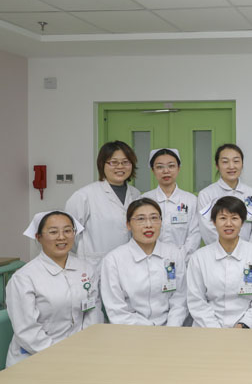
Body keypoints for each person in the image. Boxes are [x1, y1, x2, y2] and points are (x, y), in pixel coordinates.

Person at [6, 211, 103, 367]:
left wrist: (85, 345)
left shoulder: (86, 269)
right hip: (36, 355)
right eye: (53, 232)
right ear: (38, 237)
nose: (61, 237)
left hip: (80, 350)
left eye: (67, 230)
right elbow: (27, 330)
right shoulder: (24, 278)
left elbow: (93, 311)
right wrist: (60, 355)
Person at [187, 196, 252, 328]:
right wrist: (215, 328)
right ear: (214, 222)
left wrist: (244, 324)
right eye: (222, 218)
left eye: (234, 218)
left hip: (250, 326)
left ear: (242, 222)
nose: (228, 224)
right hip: (208, 327)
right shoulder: (199, 257)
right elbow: (196, 300)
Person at [100, 198, 187, 326]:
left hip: (170, 329)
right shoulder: (113, 260)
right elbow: (116, 310)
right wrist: (150, 330)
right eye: (141, 219)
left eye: (154, 218)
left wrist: (171, 328)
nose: (148, 225)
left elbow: (180, 298)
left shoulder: (173, 254)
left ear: (161, 222)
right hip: (130, 330)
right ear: (128, 225)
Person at [65, 140, 141, 267]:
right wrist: (88, 252)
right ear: (102, 164)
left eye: (125, 162)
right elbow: (68, 234)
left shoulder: (136, 194)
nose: (120, 166)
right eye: (113, 162)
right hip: (95, 265)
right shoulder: (84, 196)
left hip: (130, 263)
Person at [141, 148, 201, 262]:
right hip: (150, 261)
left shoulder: (191, 200)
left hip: (184, 262)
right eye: (160, 167)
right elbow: (140, 234)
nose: (166, 171)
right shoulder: (144, 200)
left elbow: (195, 235)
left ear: (178, 168)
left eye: (171, 166)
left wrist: (179, 259)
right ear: (153, 170)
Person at [197, 144, 252, 245]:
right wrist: (227, 248)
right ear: (217, 165)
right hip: (217, 250)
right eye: (225, 162)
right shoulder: (206, 195)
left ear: (242, 164)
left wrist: (248, 249)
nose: (231, 166)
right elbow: (207, 230)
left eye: (236, 161)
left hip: (249, 252)